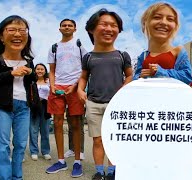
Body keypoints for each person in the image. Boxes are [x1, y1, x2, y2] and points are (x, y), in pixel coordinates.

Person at [77, 8, 133, 180]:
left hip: (116, 104)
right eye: (104, 24)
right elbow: (84, 77)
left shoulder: (122, 55)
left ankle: (112, 172)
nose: (109, 29)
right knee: (97, 140)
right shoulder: (88, 57)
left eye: (114, 25)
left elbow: (130, 75)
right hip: (93, 104)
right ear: (92, 29)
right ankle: (99, 171)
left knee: (115, 140)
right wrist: (80, 89)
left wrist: (124, 89)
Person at [0, 15, 36, 180]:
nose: (18, 34)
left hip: (24, 106)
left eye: (22, 30)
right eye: (12, 30)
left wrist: (31, 73)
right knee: (2, 146)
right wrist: (11, 73)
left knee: (21, 145)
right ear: (1, 36)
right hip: (3, 107)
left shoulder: (29, 61)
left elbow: (33, 80)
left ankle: (17, 177)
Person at [45, 19, 87, 178]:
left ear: (75, 28)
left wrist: (76, 86)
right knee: (57, 123)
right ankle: (61, 160)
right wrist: (53, 86)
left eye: (70, 25)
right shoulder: (54, 47)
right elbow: (51, 70)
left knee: (76, 123)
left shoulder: (79, 45)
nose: (67, 27)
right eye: (64, 25)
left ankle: (77, 161)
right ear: (59, 28)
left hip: (74, 87)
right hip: (58, 87)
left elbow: (85, 70)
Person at [133, 2, 192, 84]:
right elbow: (135, 79)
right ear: (145, 23)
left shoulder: (178, 51)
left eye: (170, 19)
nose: (164, 22)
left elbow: (187, 76)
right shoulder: (143, 56)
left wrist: (160, 71)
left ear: (175, 25)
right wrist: (140, 76)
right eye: (157, 17)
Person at [29, 63, 51, 161]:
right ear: (35, 70)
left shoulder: (48, 81)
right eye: (38, 69)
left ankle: (45, 151)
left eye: (42, 69)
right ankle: (34, 151)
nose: (40, 71)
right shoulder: (31, 82)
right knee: (33, 130)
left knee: (45, 130)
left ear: (45, 71)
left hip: (46, 106)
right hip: (34, 107)